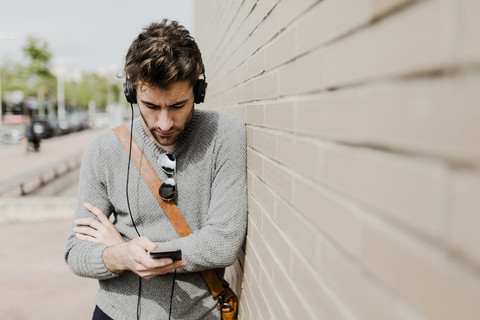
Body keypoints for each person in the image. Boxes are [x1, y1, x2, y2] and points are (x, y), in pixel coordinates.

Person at [64, 19, 247, 320]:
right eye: (151, 105)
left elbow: (223, 243)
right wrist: (120, 256)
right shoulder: (103, 149)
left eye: (177, 106)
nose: (164, 123)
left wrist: (134, 251)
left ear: (198, 91)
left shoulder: (225, 134)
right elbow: (75, 252)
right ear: (131, 92)